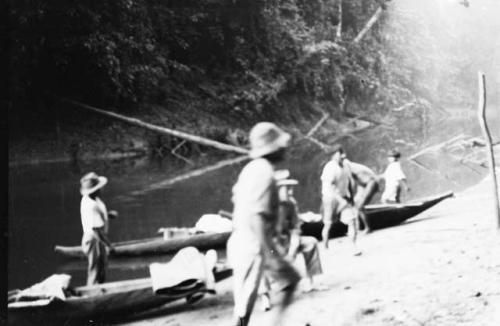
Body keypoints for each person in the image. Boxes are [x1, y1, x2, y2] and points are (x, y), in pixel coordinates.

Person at [227, 122, 300, 326]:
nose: (286, 149)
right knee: (244, 304)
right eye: (282, 146)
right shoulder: (263, 173)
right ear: (273, 148)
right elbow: (256, 217)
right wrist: (270, 255)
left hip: (256, 242)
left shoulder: (253, 169)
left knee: (289, 281)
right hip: (253, 245)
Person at [259, 179, 325, 311]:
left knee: (310, 242)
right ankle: (265, 296)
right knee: (261, 257)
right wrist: (276, 253)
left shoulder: (291, 204)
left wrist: (292, 251)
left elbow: (295, 228)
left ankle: (310, 282)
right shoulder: (265, 206)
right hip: (271, 246)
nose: (291, 191)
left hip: (287, 242)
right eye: (287, 188)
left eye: (291, 188)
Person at [320, 145, 361, 255]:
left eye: (342, 153)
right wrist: (340, 200)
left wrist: (351, 197)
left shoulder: (346, 165)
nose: (342, 156)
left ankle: (353, 246)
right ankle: (325, 247)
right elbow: (330, 186)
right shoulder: (330, 167)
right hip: (330, 198)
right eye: (339, 154)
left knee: (352, 220)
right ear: (333, 155)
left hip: (343, 197)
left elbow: (349, 182)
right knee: (328, 224)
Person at [79, 172, 117, 285]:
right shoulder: (91, 205)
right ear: (94, 190)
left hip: (96, 239)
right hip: (94, 239)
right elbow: (96, 230)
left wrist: (108, 214)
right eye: (99, 188)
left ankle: (100, 289)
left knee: (101, 267)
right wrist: (109, 246)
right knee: (96, 269)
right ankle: (93, 294)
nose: (101, 190)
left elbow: (95, 216)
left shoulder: (92, 199)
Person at [344, 159, 380, 234]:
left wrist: (349, 196)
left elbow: (352, 183)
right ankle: (357, 228)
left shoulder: (346, 165)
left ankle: (368, 228)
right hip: (363, 184)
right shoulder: (348, 166)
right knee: (355, 205)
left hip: (371, 182)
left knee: (360, 207)